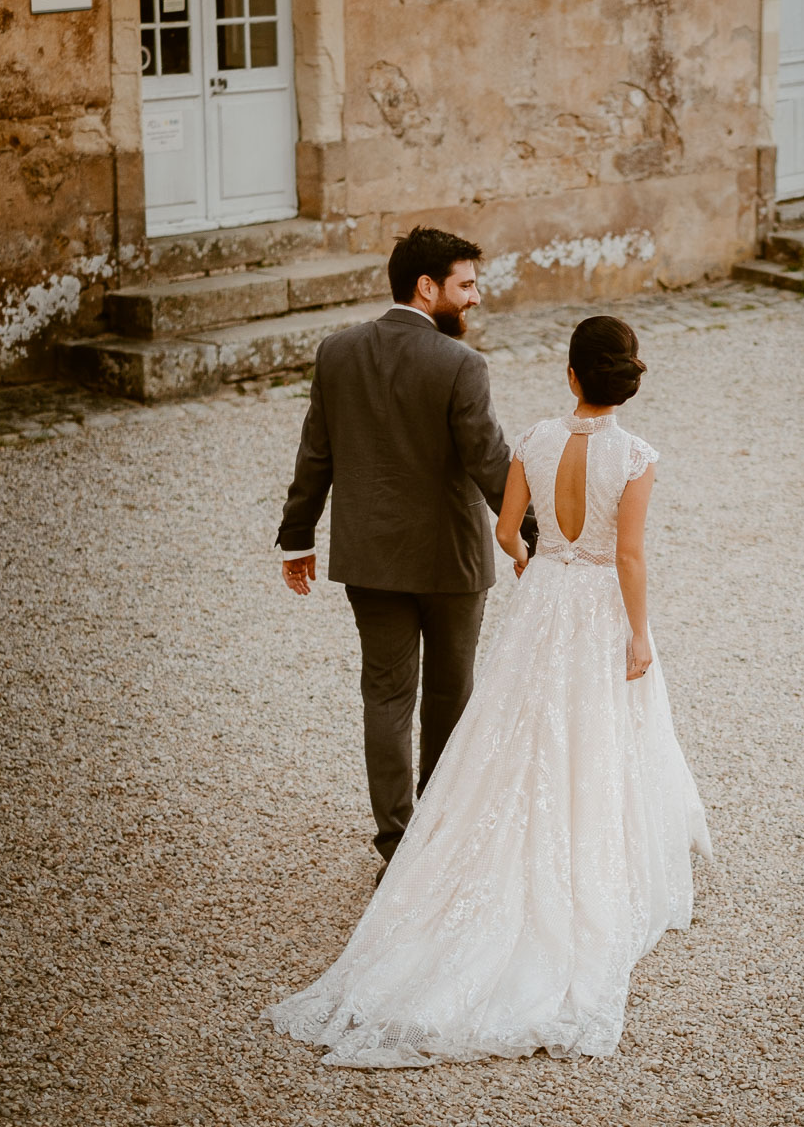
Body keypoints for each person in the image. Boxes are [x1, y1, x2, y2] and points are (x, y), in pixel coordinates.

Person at [265, 315, 711, 1065]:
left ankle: (446, 845)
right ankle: (591, 851)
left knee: (518, 729)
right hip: (599, 604)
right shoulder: (637, 456)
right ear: (623, 381)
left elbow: (509, 532)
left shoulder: (535, 440)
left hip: (545, 603)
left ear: (571, 376)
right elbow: (630, 558)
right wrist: (638, 633)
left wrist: (536, 562)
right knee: (598, 729)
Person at [275, 226, 532, 876]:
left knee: (386, 697)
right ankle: (438, 829)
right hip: (451, 563)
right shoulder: (460, 365)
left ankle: (396, 841)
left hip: (371, 561)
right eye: (466, 285)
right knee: (450, 694)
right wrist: (538, 534)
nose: (475, 298)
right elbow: (491, 464)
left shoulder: (337, 352)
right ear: (427, 286)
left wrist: (298, 536)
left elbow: (316, 453)